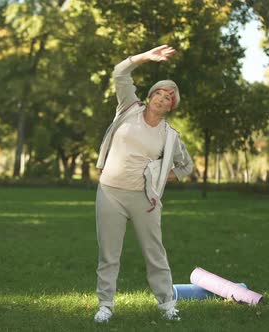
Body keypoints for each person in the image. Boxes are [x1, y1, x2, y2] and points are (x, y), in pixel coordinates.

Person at [93, 45, 193, 323]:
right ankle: (105, 305)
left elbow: (186, 166)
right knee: (109, 254)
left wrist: (161, 175)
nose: (162, 99)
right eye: (158, 94)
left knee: (155, 253)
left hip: (143, 200)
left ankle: (167, 306)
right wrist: (146, 57)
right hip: (110, 192)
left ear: (171, 107)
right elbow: (120, 72)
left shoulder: (169, 135)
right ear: (149, 97)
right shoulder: (128, 108)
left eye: (168, 98)